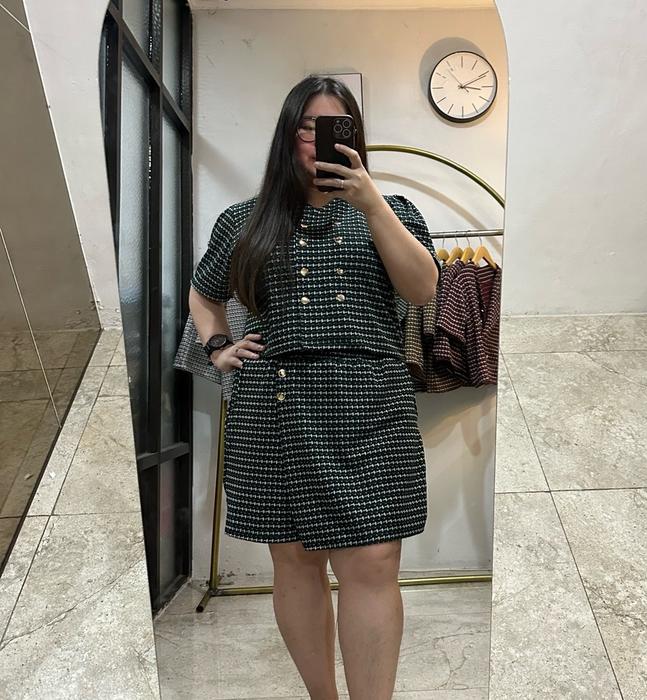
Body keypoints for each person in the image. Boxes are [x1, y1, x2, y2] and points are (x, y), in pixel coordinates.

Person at [188, 74, 440, 700]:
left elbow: (422, 288)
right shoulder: (243, 220)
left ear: (355, 136)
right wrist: (218, 348)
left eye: (335, 127)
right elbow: (204, 294)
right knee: (296, 561)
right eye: (308, 127)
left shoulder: (393, 211)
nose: (319, 140)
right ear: (288, 136)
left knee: (373, 561)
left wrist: (371, 202)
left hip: (372, 402)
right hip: (273, 405)